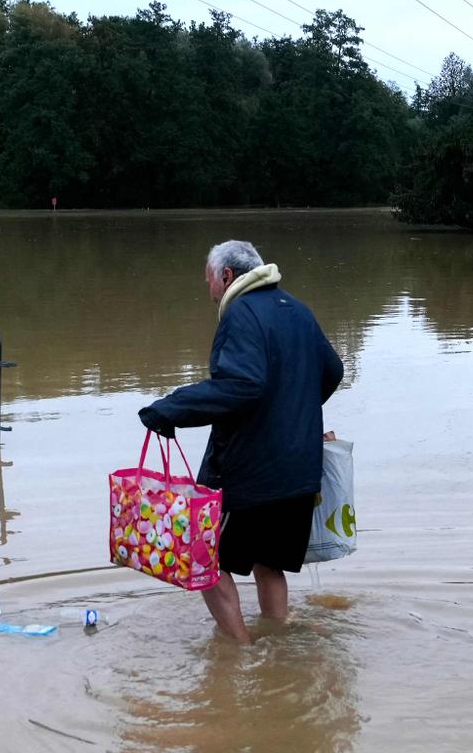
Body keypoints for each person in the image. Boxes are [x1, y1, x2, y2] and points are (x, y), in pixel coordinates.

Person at [139, 239, 344, 643]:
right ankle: (280, 645)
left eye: (209, 282)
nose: (210, 291)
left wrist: (171, 408)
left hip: (253, 475)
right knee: (270, 563)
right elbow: (332, 370)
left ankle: (240, 652)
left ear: (227, 276)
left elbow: (242, 385)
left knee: (204, 559)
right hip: (301, 472)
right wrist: (292, 415)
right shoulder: (298, 310)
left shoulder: (241, 315)